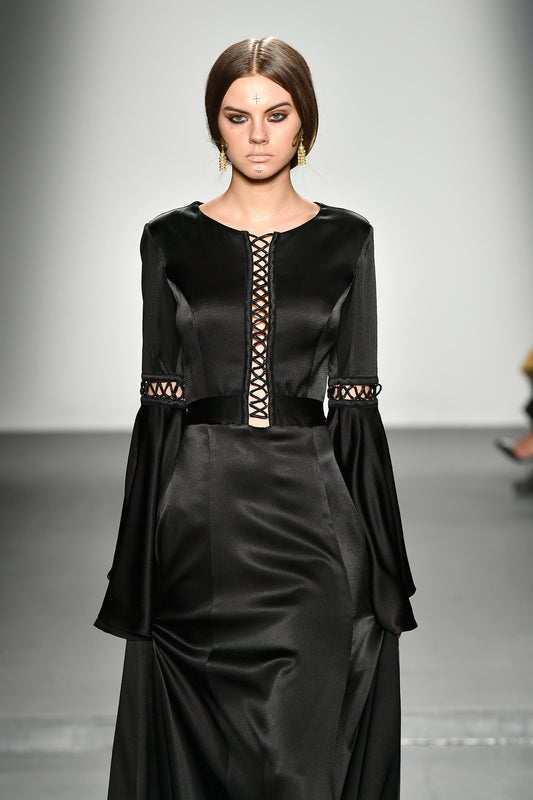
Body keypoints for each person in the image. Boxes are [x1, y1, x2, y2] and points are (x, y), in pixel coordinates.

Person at [94, 36, 418, 800]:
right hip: (198, 527)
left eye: (276, 114)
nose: (258, 135)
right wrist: (137, 565)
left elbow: (355, 407)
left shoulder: (348, 240)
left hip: (311, 527)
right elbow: (158, 405)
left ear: (304, 122)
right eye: (237, 117)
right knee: (201, 758)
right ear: (216, 125)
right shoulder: (168, 240)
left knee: (299, 757)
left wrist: (381, 563)